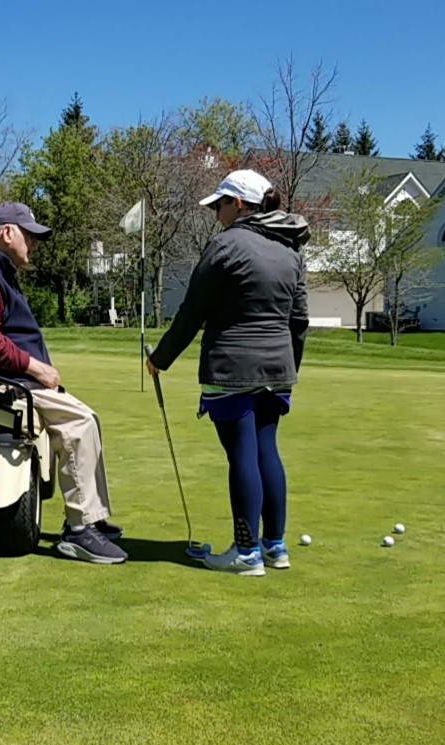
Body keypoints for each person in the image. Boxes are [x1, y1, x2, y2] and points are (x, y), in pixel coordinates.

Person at [0, 201, 128, 565]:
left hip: (9, 378)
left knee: (86, 417)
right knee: (80, 421)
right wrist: (35, 368)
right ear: (8, 233)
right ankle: (79, 531)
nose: (36, 244)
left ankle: (92, 517)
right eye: (30, 236)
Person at [145, 170, 310, 577]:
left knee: (243, 455)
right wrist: (289, 365)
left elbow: (192, 312)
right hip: (278, 368)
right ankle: (275, 546)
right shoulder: (290, 250)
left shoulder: (226, 246)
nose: (216, 212)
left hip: (232, 367)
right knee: (266, 449)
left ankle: (245, 552)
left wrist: (160, 359)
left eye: (220, 204)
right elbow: (299, 320)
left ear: (239, 204)